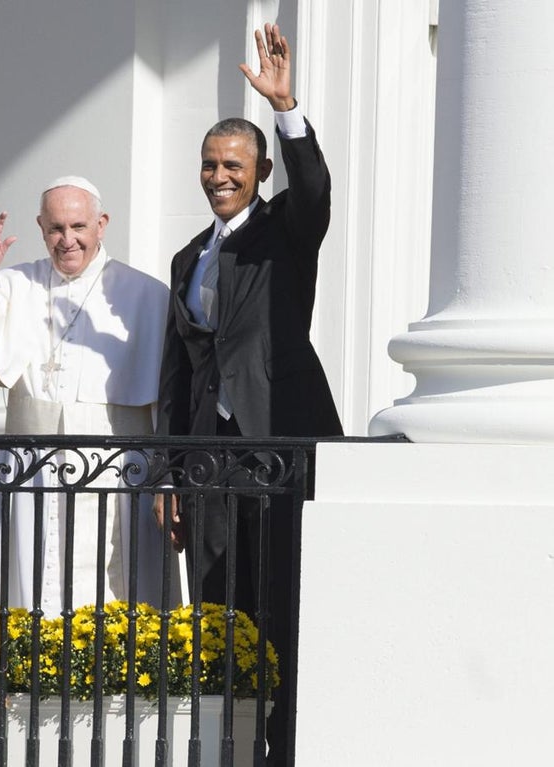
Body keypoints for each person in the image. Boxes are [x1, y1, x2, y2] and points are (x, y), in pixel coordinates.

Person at [155, 24, 343, 765]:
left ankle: (288, 747)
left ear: (260, 169)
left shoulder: (286, 233)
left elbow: (317, 190)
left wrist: (286, 106)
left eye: (232, 164)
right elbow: (180, 373)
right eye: (209, 164)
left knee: (285, 603)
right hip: (208, 460)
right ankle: (221, 746)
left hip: (280, 447)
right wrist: (171, 470)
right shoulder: (183, 260)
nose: (218, 175)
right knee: (215, 607)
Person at [0, 177, 171, 617]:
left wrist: (167, 481)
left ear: (101, 224)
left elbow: (169, 400)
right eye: (56, 229)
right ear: (41, 228)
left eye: (79, 226)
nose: (67, 240)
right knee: (30, 585)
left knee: (116, 592)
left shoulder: (147, 295)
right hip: (32, 472)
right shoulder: (12, 284)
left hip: (118, 472)